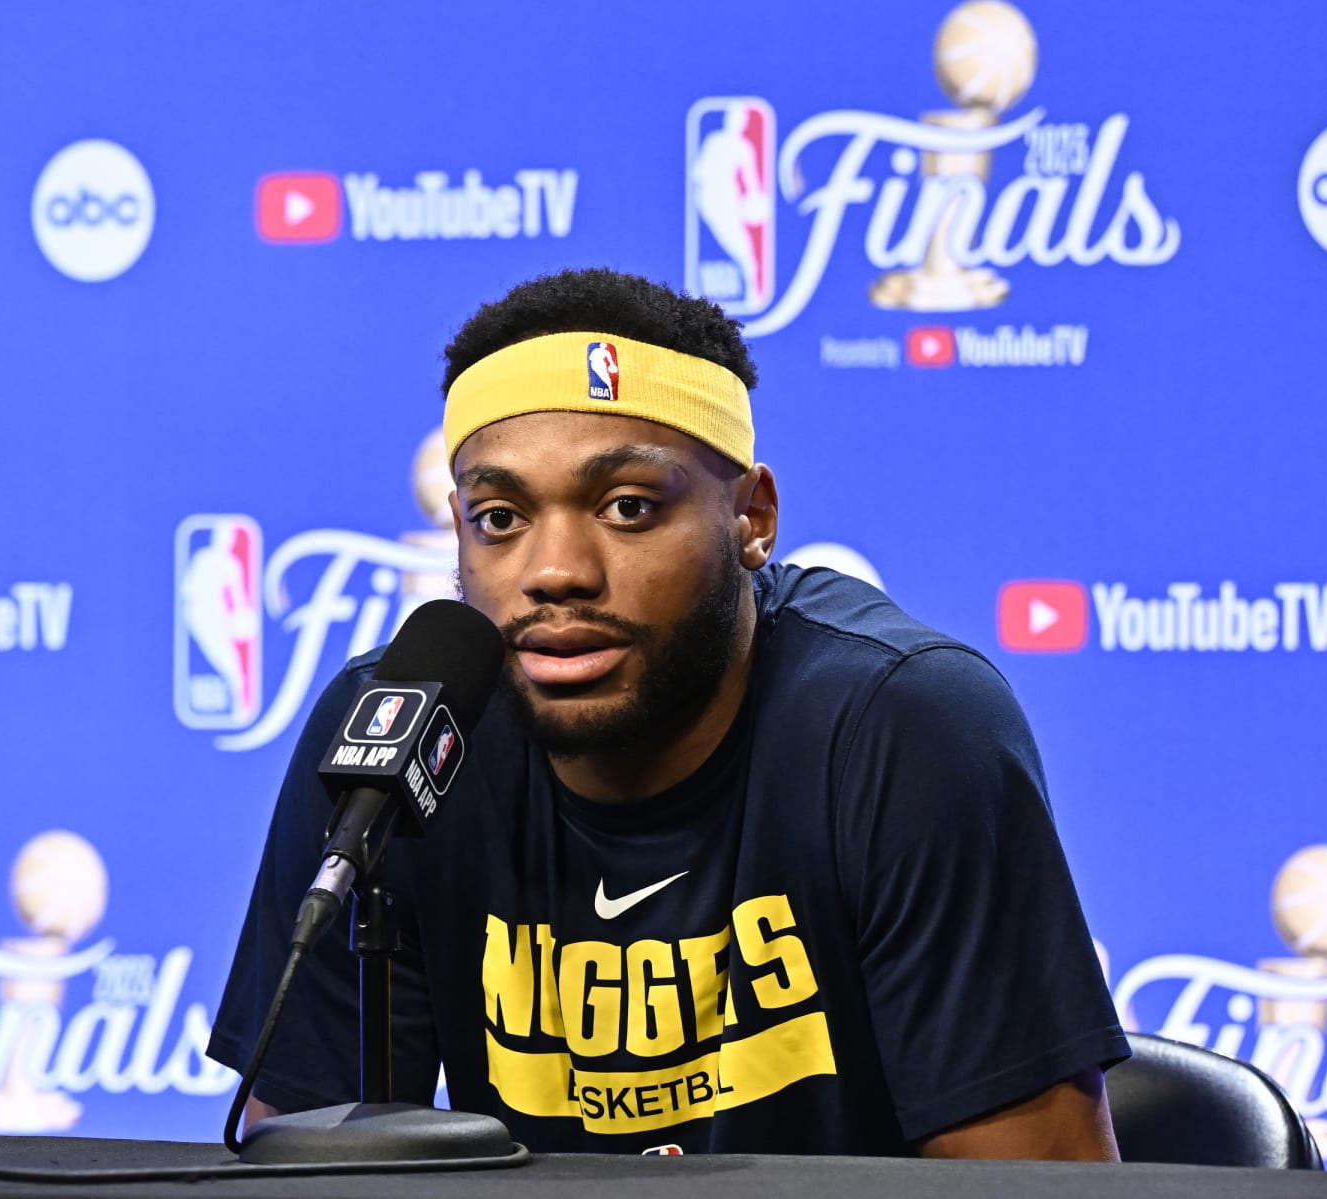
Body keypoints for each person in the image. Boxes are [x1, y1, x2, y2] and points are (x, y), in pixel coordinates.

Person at [209, 268, 1127, 1159]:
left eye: (628, 506)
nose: (556, 569)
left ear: (753, 517)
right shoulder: (397, 735)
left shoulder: (901, 728)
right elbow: (306, 1159)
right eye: (499, 517)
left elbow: (1037, 1182)